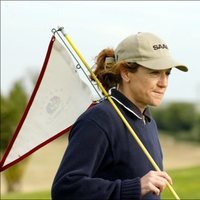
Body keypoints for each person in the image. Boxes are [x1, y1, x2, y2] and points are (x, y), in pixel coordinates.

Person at [51, 32, 188, 200]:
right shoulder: (98, 120)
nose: (163, 82)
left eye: (167, 73)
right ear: (126, 73)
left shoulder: (147, 120)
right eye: (154, 72)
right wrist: (135, 187)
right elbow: (65, 189)